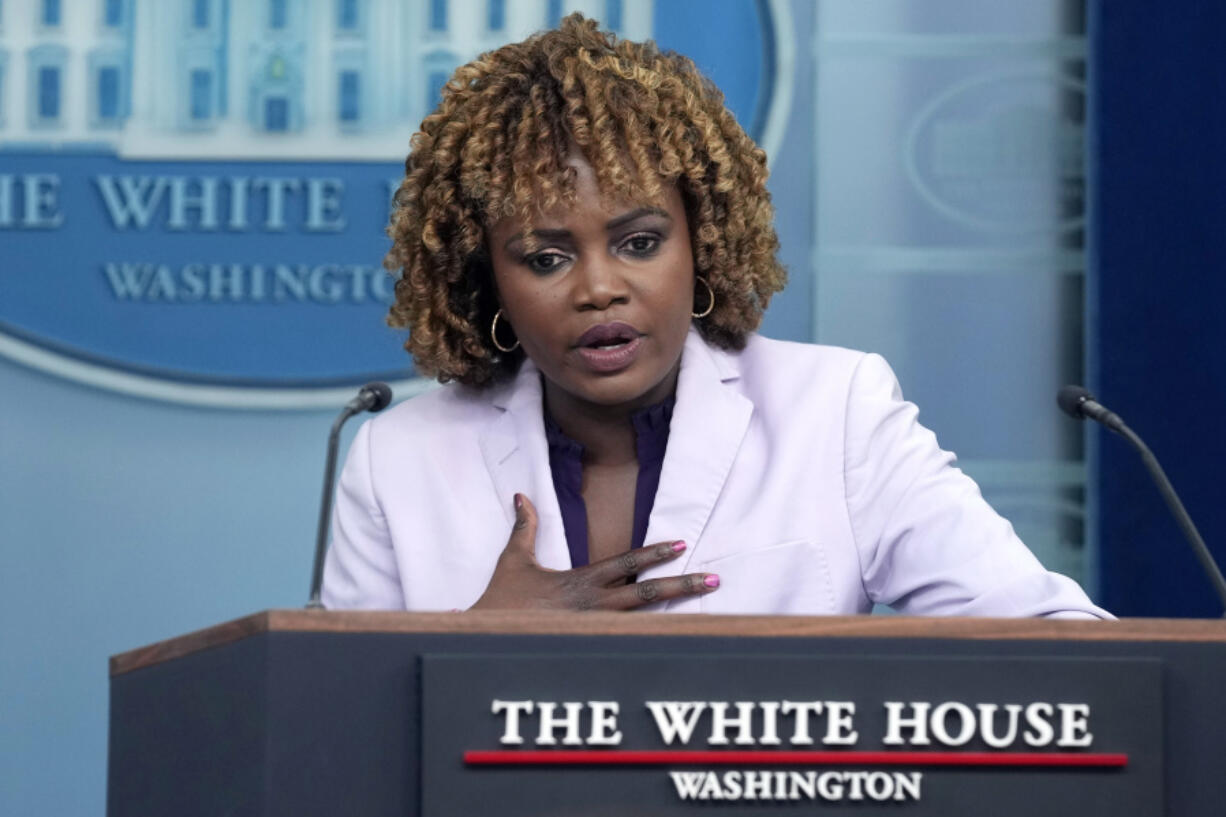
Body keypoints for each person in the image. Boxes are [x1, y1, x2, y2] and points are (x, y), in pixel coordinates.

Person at [321, 14, 1110, 619]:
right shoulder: (398, 461)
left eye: (638, 241)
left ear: (701, 240)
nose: (599, 287)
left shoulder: (835, 413)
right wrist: (473, 646)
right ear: (486, 278)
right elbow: (332, 743)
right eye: (546, 257)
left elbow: (1053, 636)